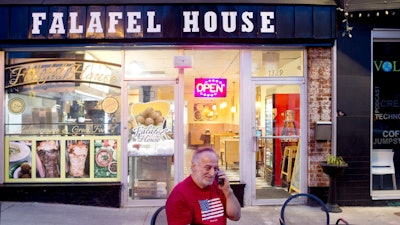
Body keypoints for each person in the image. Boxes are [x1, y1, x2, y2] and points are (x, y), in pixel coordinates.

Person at [166, 147, 241, 225]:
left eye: (215, 169)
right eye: (207, 168)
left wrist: (228, 191)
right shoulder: (179, 195)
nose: (212, 173)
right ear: (194, 166)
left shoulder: (219, 186)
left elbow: (235, 216)